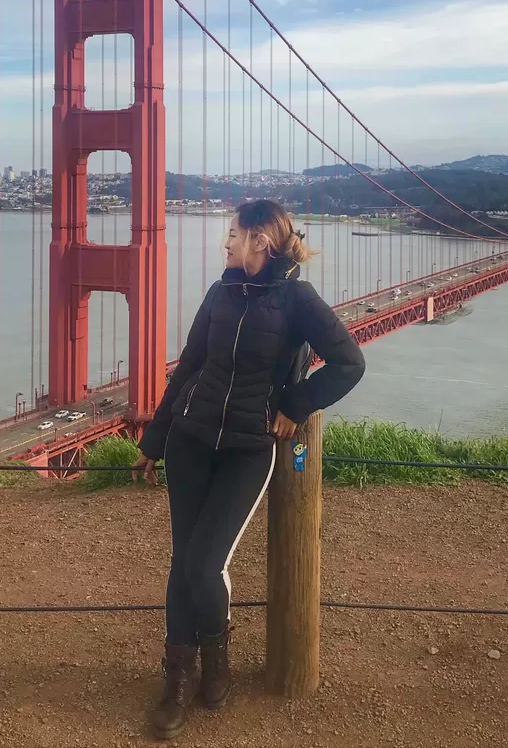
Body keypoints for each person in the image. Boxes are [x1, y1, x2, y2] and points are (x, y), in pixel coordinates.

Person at [134, 199, 366, 740]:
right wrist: (156, 439)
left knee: (204, 564)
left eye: (234, 233)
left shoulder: (297, 297)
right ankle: (178, 683)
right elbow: (189, 365)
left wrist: (294, 406)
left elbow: (350, 362)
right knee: (182, 561)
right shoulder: (221, 292)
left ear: (262, 239)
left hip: (246, 450)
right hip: (192, 441)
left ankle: (217, 663)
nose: (226, 241)